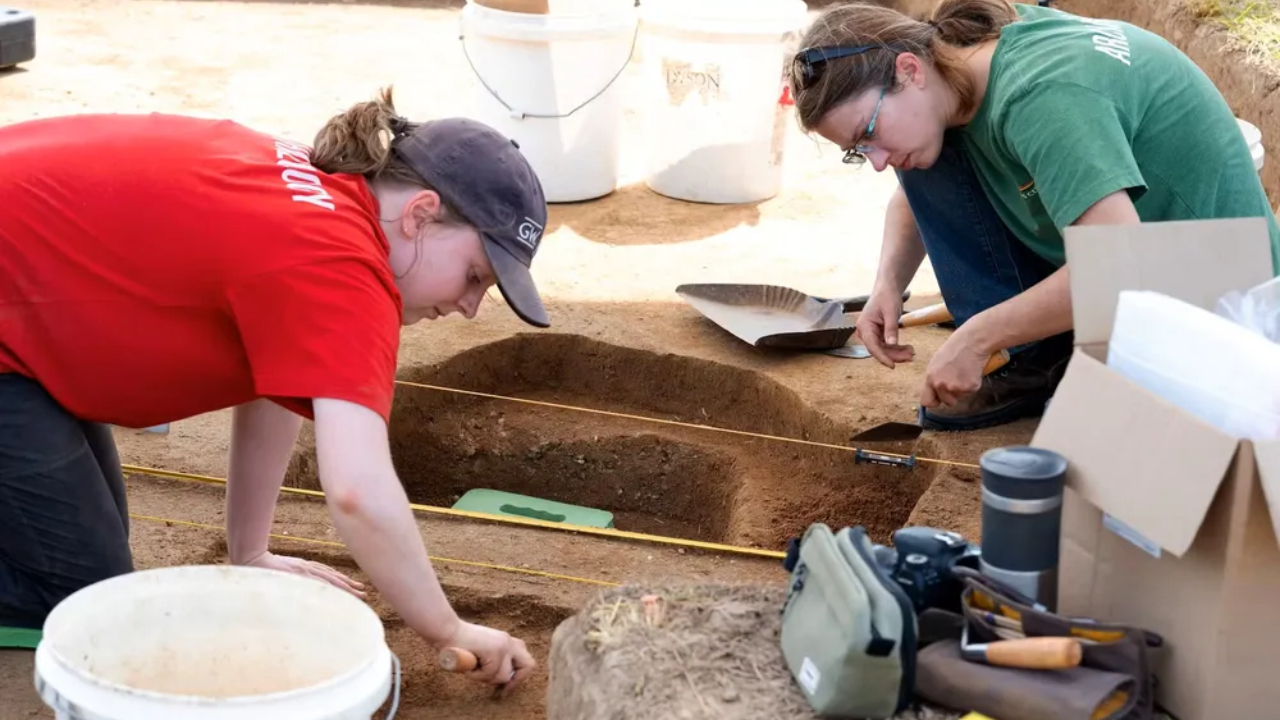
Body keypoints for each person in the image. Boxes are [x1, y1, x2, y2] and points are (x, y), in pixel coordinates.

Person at [0, 87, 546, 692]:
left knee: (86, 550)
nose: (471, 307)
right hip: (10, 342)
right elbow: (358, 490)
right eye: (476, 276)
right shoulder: (342, 266)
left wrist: (250, 551)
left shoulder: (328, 196)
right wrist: (447, 628)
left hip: (26, 335)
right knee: (84, 592)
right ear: (420, 213)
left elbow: (278, 381)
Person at [788, 0, 1280, 431]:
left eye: (867, 132)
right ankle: (1039, 354)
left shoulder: (1040, 95)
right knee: (920, 149)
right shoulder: (963, 55)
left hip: (1223, 304)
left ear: (909, 69)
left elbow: (1118, 268)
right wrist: (888, 286)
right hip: (1144, 263)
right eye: (858, 151)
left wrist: (979, 338)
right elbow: (919, 194)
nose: (874, 160)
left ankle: (1037, 348)